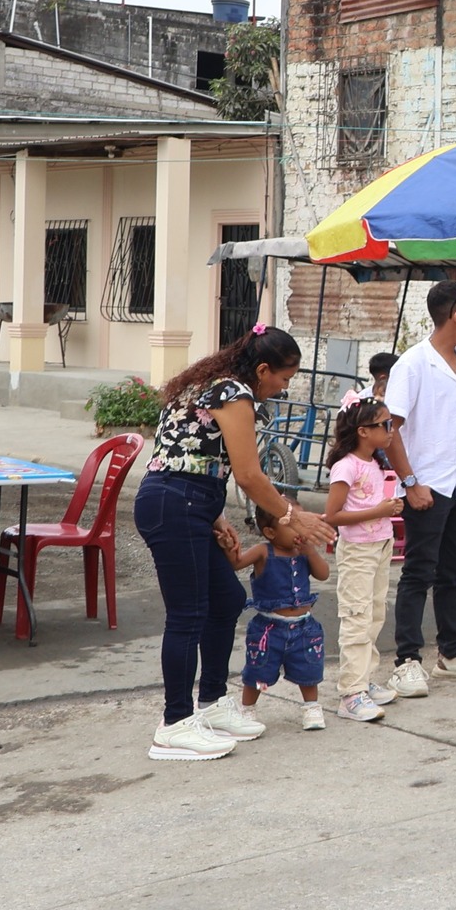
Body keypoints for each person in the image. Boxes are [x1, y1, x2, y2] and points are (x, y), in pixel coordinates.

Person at [133, 324, 335, 761]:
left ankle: (210, 702)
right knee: (188, 614)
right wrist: (291, 514)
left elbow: (189, 453)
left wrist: (216, 515)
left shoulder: (208, 384)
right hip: (174, 505)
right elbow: (248, 475)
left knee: (226, 599)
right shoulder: (233, 393)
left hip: (188, 503)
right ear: (262, 370)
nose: (283, 388)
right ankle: (174, 725)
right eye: (283, 378)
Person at [385, 280, 456, 700]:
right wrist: (410, 482)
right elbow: (389, 430)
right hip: (427, 486)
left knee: (453, 572)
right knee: (418, 572)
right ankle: (406, 660)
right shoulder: (412, 364)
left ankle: (452, 652)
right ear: (455, 315)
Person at [323, 397, 406, 723]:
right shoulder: (346, 466)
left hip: (380, 545)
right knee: (357, 616)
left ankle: (364, 679)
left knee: (374, 614)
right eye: (384, 425)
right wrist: (379, 511)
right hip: (358, 550)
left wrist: (387, 511)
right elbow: (333, 515)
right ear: (362, 431)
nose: (390, 430)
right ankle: (351, 692)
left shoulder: (375, 462)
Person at [225, 503, 332, 732]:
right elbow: (236, 563)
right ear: (270, 532)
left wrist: (311, 551)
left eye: (301, 523)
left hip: (304, 627)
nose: (300, 530)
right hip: (268, 629)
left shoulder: (303, 553)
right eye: (293, 525)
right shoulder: (263, 552)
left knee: (309, 669)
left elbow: (323, 574)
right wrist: (228, 547)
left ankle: (311, 707)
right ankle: (247, 709)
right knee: (258, 670)